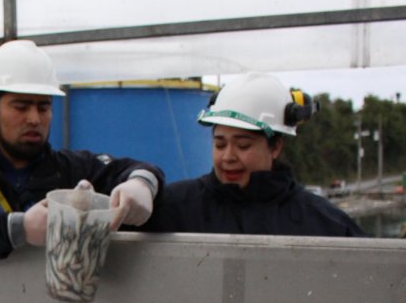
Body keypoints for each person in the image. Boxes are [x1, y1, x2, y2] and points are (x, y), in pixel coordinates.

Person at [0, 40, 165, 265]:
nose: (34, 119)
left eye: (43, 107)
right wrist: (17, 229)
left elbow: (132, 168)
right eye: (21, 107)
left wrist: (142, 183)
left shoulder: (71, 170)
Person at [142, 72, 364, 237]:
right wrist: (140, 180)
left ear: (275, 147)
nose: (228, 156)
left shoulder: (325, 224)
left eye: (243, 145)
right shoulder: (176, 208)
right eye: (220, 144)